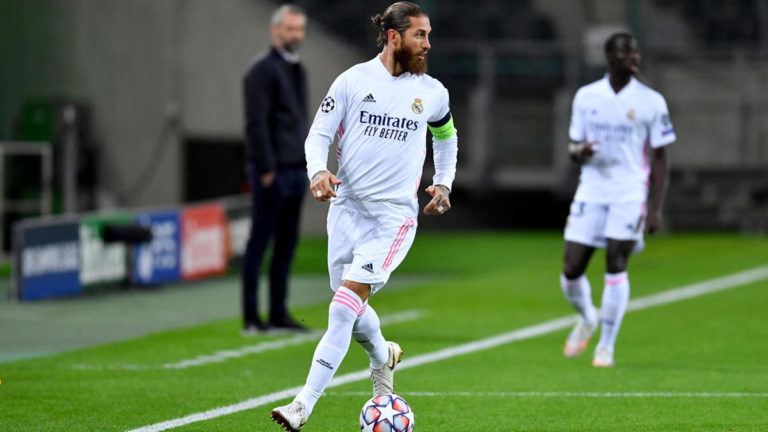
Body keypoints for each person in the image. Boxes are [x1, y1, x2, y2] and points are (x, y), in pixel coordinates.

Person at [271, 2, 458, 430]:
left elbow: (446, 137)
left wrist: (444, 182)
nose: (428, 44)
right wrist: (318, 171)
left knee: (342, 308)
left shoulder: (432, 92)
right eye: (420, 35)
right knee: (351, 309)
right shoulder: (353, 81)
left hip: (393, 218)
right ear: (394, 37)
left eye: (428, 35)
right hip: (346, 209)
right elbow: (318, 135)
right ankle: (383, 356)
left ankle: (302, 405)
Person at [560, 32, 675, 367]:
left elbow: (661, 158)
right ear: (610, 58)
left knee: (616, 261)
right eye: (627, 52)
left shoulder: (652, 101)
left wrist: (654, 208)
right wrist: (580, 151)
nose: (634, 57)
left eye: (636, 52)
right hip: (592, 189)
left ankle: (605, 347)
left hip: (629, 191)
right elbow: (573, 147)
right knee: (571, 269)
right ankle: (587, 317)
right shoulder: (586, 97)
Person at [241, 4, 309, 333]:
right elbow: (256, 123)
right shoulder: (261, 71)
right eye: (289, 29)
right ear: (275, 31)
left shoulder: (297, 69)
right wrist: (267, 167)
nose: (295, 35)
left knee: (286, 244)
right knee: (260, 242)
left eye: (299, 29)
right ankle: (252, 317)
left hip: (296, 169)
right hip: (273, 171)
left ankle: (279, 312)